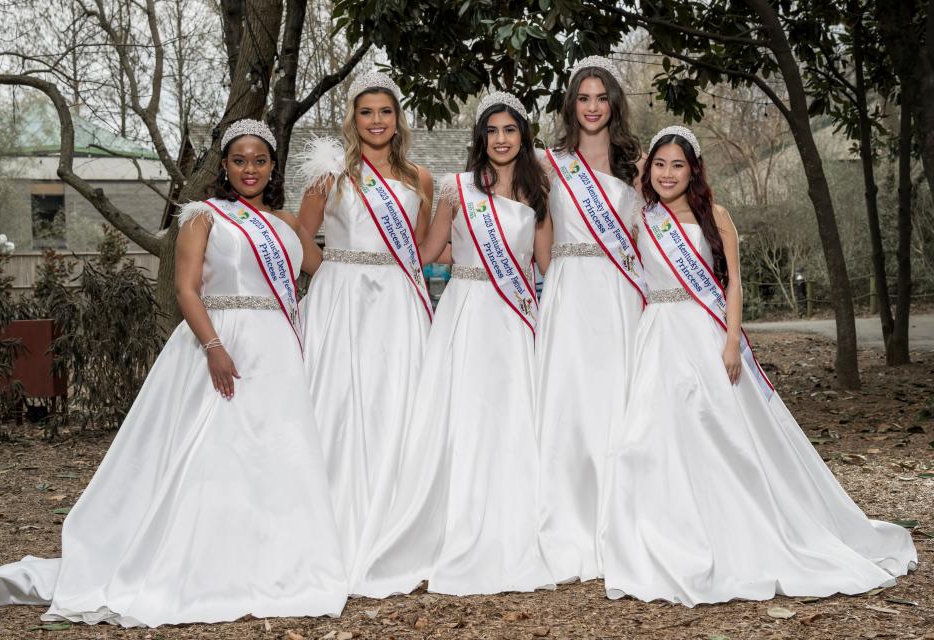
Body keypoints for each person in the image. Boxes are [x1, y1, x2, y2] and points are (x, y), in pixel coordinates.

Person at [0, 120, 347, 626]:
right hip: (221, 340)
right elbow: (186, 289)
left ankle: (276, 558)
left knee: (277, 453)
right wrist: (213, 346)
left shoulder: (284, 221)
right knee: (216, 452)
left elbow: (324, 269)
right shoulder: (203, 215)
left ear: (273, 165)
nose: (250, 169)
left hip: (279, 348)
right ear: (225, 167)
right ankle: (203, 560)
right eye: (239, 160)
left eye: (260, 160)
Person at [599, 125, 917, 606]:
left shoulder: (717, 216)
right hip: (657, 334)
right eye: (660, 164)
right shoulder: (643, 218)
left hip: (704, 332)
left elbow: (732, 285)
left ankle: (739, 524)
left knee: (719, 432)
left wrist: (730, 342)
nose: (667, 173)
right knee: (648, 437)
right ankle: (663, 531)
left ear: (694, 170)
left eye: (678, 165)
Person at [350, 91, 554, 597]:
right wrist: (360, 271)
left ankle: (512, 524)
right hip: (464, 312)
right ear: (480, 139)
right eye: (492, 131)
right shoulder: (456, 189)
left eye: (510, 130)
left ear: (522, 137)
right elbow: (422, 251)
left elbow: (548, 265)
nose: (501, 139)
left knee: (510, 417)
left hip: (513, 317)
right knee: (460, 416)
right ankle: (450, 524)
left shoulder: (538, 192)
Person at [293, 71, 433, 574]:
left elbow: (416, 249)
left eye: (385, 112)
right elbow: (300, 236)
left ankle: (397, 517)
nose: (376, 121)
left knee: (397, 401)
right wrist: (330, 275)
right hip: (343, 299)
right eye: (366, 112)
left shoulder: (420, 179)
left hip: (398, 301)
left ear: (398, 120)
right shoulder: (331, 173)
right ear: (354, 118)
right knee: (341, 402)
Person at [535, 56, 646, 583]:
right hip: (569, 289)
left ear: (614, 104)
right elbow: (535, 235)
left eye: (602, 98)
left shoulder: (638, 162)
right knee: (570, 398)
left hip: (620, 292)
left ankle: (624, 515)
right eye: (584, 98)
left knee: (618, 396)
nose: (594, 107)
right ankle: (571, 519)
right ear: (571, 104)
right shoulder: (549, 163)